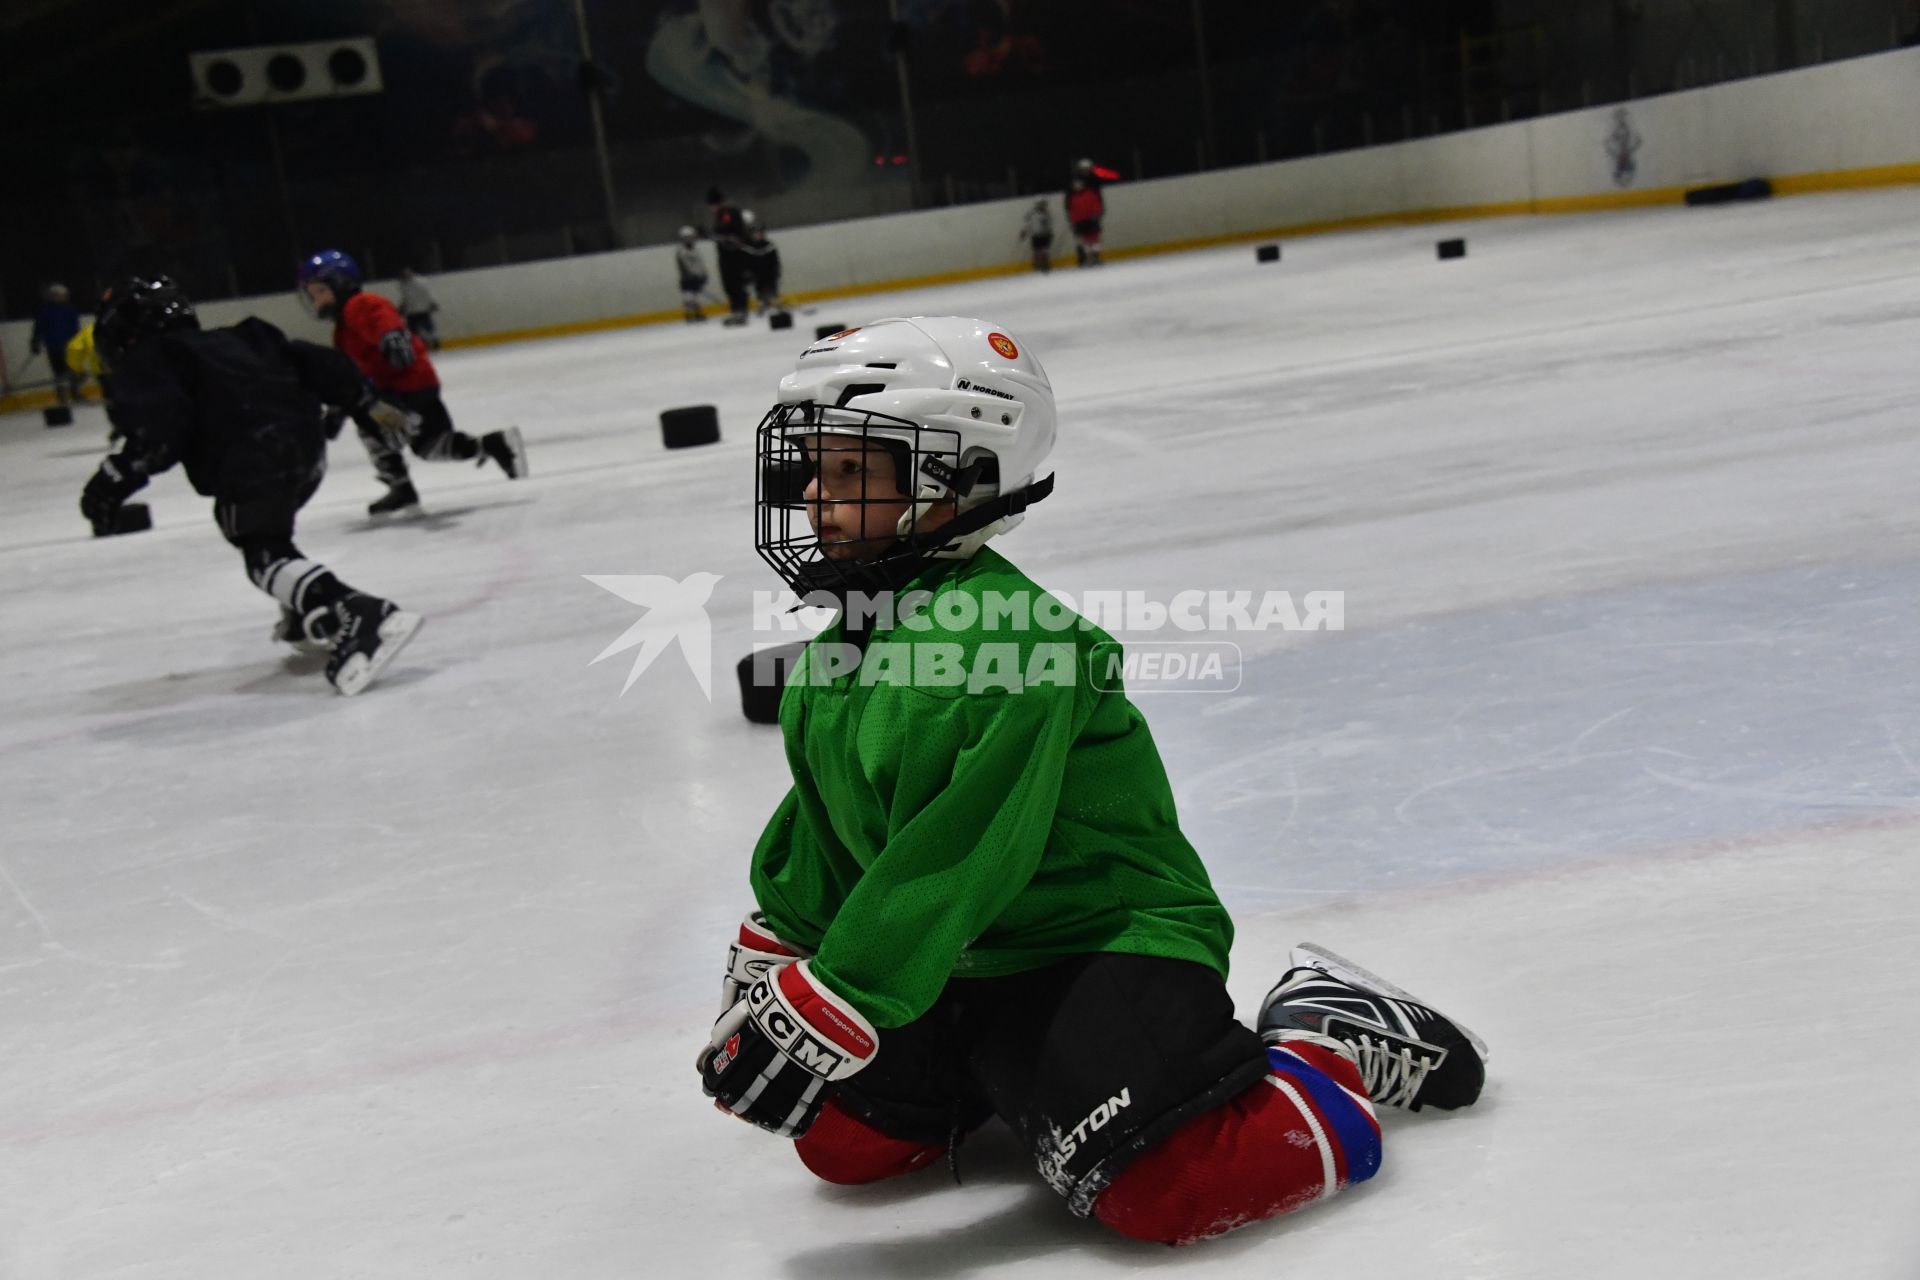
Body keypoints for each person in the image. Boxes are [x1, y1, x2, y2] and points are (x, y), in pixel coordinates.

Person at [698, 317, 1488, 1245]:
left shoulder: (1010, 646)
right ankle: (1021, 1078)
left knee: (1175, 1190)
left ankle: (1325, 1026)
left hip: (1095, 939)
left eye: (849, 474)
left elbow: (959, 858)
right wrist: (781, 938)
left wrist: (842, 999)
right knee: (840, 1146)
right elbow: (827, 818)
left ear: (955, 482)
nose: (816, 501)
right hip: (953, 956)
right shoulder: (850, 639)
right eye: (815, 470)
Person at [77, 275, 422, 696]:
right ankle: (305, 605)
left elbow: (161, 430)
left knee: (259, 547)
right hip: (305, 449)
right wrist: (364, 401)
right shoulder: (245, 337)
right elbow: (314, 361)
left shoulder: (152, 358)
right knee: (269, 529)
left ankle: (357, 611)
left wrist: (115, 477)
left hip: (250, 455)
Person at [297, 249, 526, 518]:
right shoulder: (343, 330)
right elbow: (354, 374)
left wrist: (393, 336)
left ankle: (401, 487)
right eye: (313, 296)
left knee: (370, 420)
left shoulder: (357, 306)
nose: (316, 302)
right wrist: (338, 411)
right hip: (415, 388)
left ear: (341, 284)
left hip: (405, 391)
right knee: (432, 446)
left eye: (320, 292)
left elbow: (382, 317)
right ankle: (494, 444)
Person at [30, 283, 84, 405]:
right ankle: (62, 396)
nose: (61, 297)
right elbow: (39, 327)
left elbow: (75, 328)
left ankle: (75, 394)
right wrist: (35, 341)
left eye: (63, 295)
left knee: (73, 370)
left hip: (69, 346)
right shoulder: (45, 311)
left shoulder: (70, 310)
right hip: (53, 346)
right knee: (59, 373)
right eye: (58, 295)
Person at [706, 186, 753, 327]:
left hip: (733, 255)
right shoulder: (724, 213)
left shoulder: (727, 213)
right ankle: (738, 311)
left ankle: (740, 312)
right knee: (731, 284)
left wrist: (717, 235)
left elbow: (727, 231)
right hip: (728, 254)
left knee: (735, 284)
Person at [739, 211, 784, 319]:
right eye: (755, 233)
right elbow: (745, 262)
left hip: (769, 272)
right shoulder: (748, 248)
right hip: (757, 273)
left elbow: (775, 260)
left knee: (773, 287)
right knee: (759, 288)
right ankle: (762, 304)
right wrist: (747, 272)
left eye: (759, 232)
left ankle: (776, 302)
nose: (757, 235)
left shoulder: (769, 245)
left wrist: (776, 269)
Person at [398, 268, 442, 350]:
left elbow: (406, 298)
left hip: (416, 310)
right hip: (419, 309)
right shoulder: (419, 282)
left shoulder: (407, 284)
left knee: (417, 329)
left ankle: (425, 342)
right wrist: (433, 303)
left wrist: (402, 307)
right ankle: (430, 342)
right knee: (425, 327)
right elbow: (428, 293)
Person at [674, 226, 710, 323]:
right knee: (688, 297)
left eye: (692, 237)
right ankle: (689, 314)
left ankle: (698, 313)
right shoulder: (681, 251)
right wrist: (690, 275)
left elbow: (700, 263)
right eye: (688, 237)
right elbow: (683, 266)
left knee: (696, 297)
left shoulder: (696, 249)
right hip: (687, 279)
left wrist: (703, 274)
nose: (691, 239)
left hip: (698, 277)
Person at [1067, 177, 1104, 267]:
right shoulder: (1073, 198)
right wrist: (1074, 223)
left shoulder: (1090, 193)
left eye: (1079, 185)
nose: (1077, 187)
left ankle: (1096, 257)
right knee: (1086, 241)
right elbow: (1073, 211)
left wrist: (1096, 214)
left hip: (1091, 219)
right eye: (1075, 185)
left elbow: (1096, 204)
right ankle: (1089, 258)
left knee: (1094, 239)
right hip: (1081, 222)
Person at [1019, 198, 1054, 273]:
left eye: (1044, 205)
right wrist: (1024, 231)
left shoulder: (1047, 213)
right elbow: (1027, 223)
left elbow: (1049, 225)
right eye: (1042, 204)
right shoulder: (1032, 213)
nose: (1043, 206)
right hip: (1036, 235)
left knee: (1044, 251)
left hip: (1045, 235)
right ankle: (1038, 265)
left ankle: (1044, 264)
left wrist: (1050, 233)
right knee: (1037, 251)